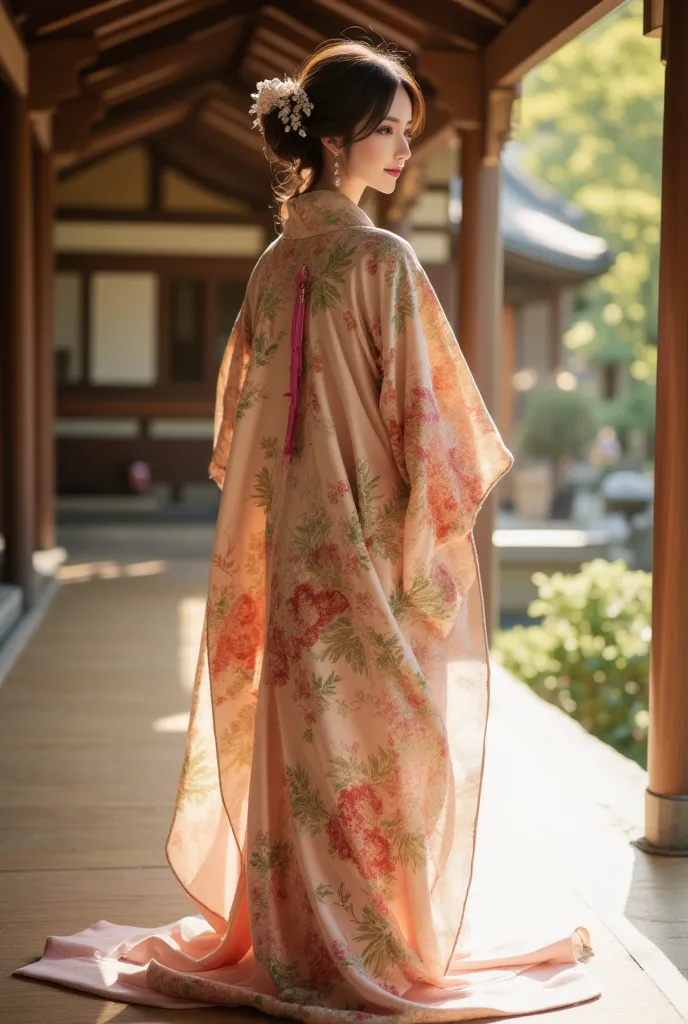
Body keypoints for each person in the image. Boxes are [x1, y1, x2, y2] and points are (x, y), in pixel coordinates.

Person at [15, 38, 600, 1022]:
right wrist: (420, 549)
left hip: (287, 551)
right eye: (386, 131)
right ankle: (365, 933)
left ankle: (292, 929)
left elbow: (232, 432)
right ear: (331, 140)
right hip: (363, 552)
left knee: (304, 742)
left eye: (408, 132)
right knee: (385, 742)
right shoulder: (382, 261)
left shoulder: (274, 266)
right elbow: (434, 424)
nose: (404, 148)